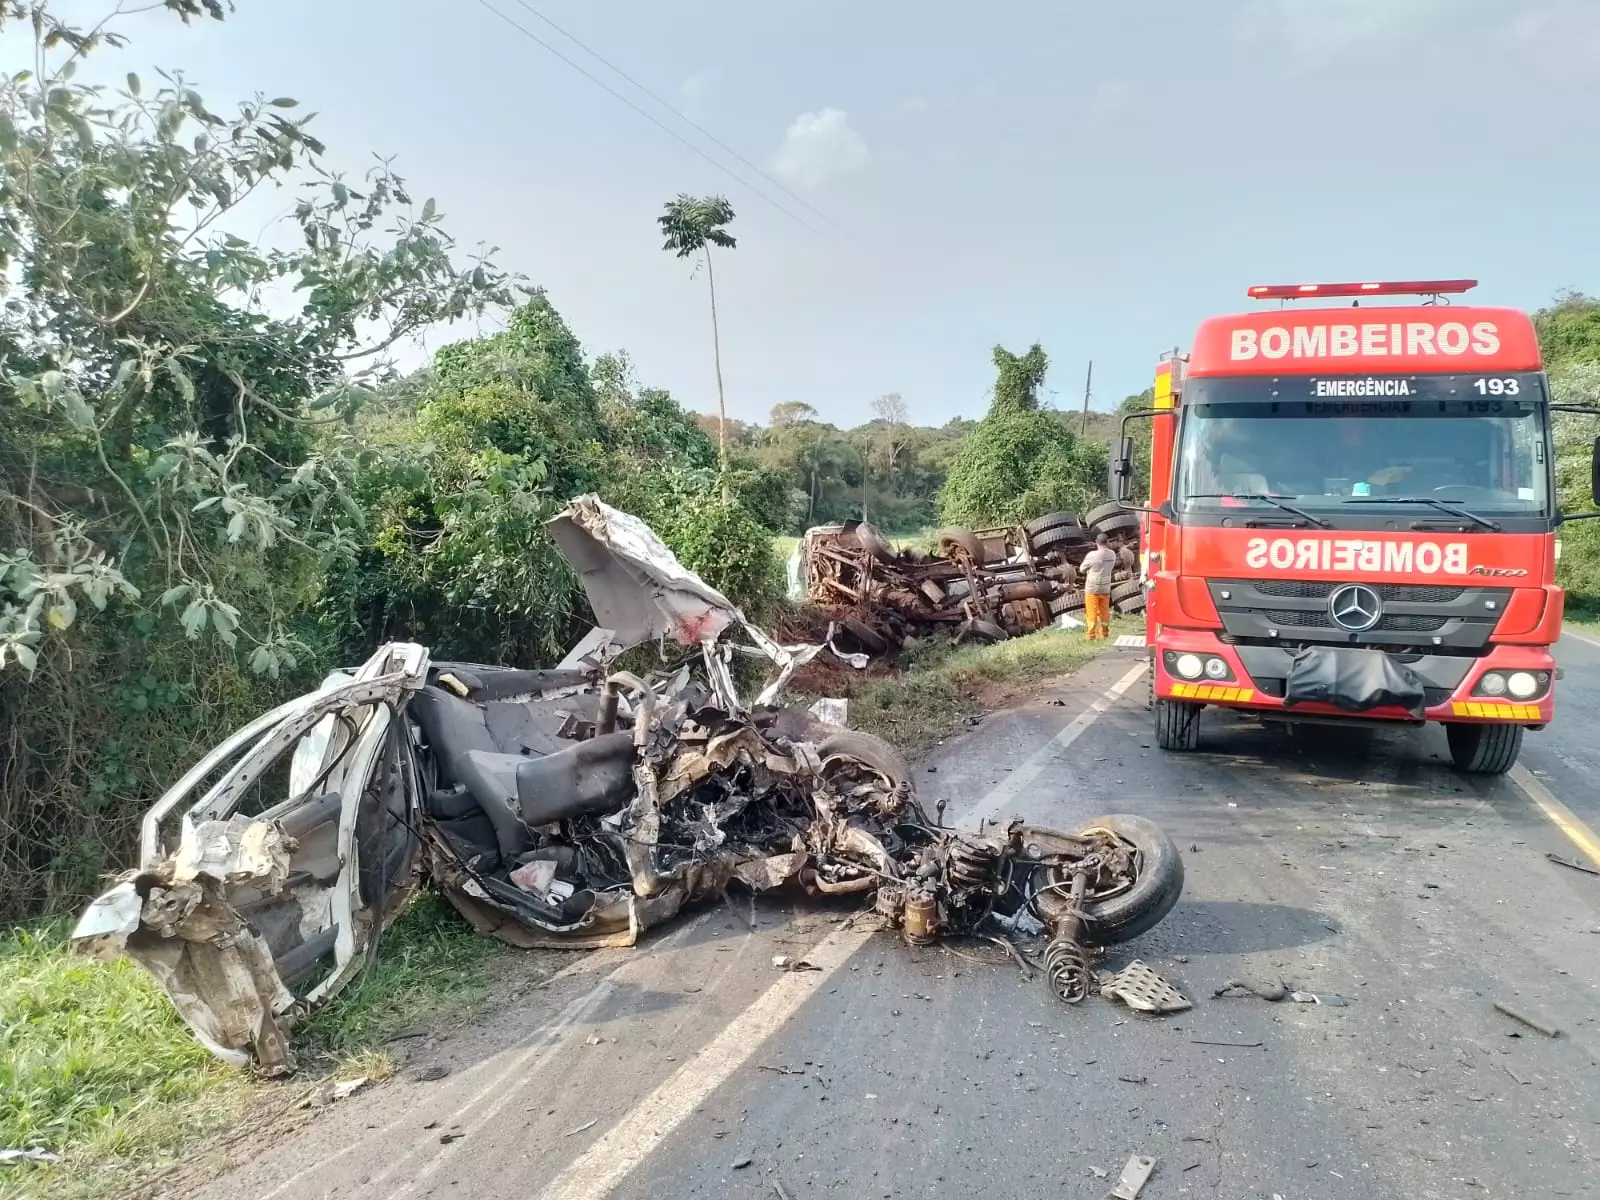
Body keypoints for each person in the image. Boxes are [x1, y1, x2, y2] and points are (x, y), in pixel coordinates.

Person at [1080, 532, 1116, 641]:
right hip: (1105, 588)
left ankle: (1091, 636)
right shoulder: (1112, 554)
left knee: (1092, 613)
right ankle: (1104, 634)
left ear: (1096, 542)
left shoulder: (1092, 555)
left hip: (1092, 588)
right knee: (1104, 612)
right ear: (1108, 542)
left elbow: (1082, 569)